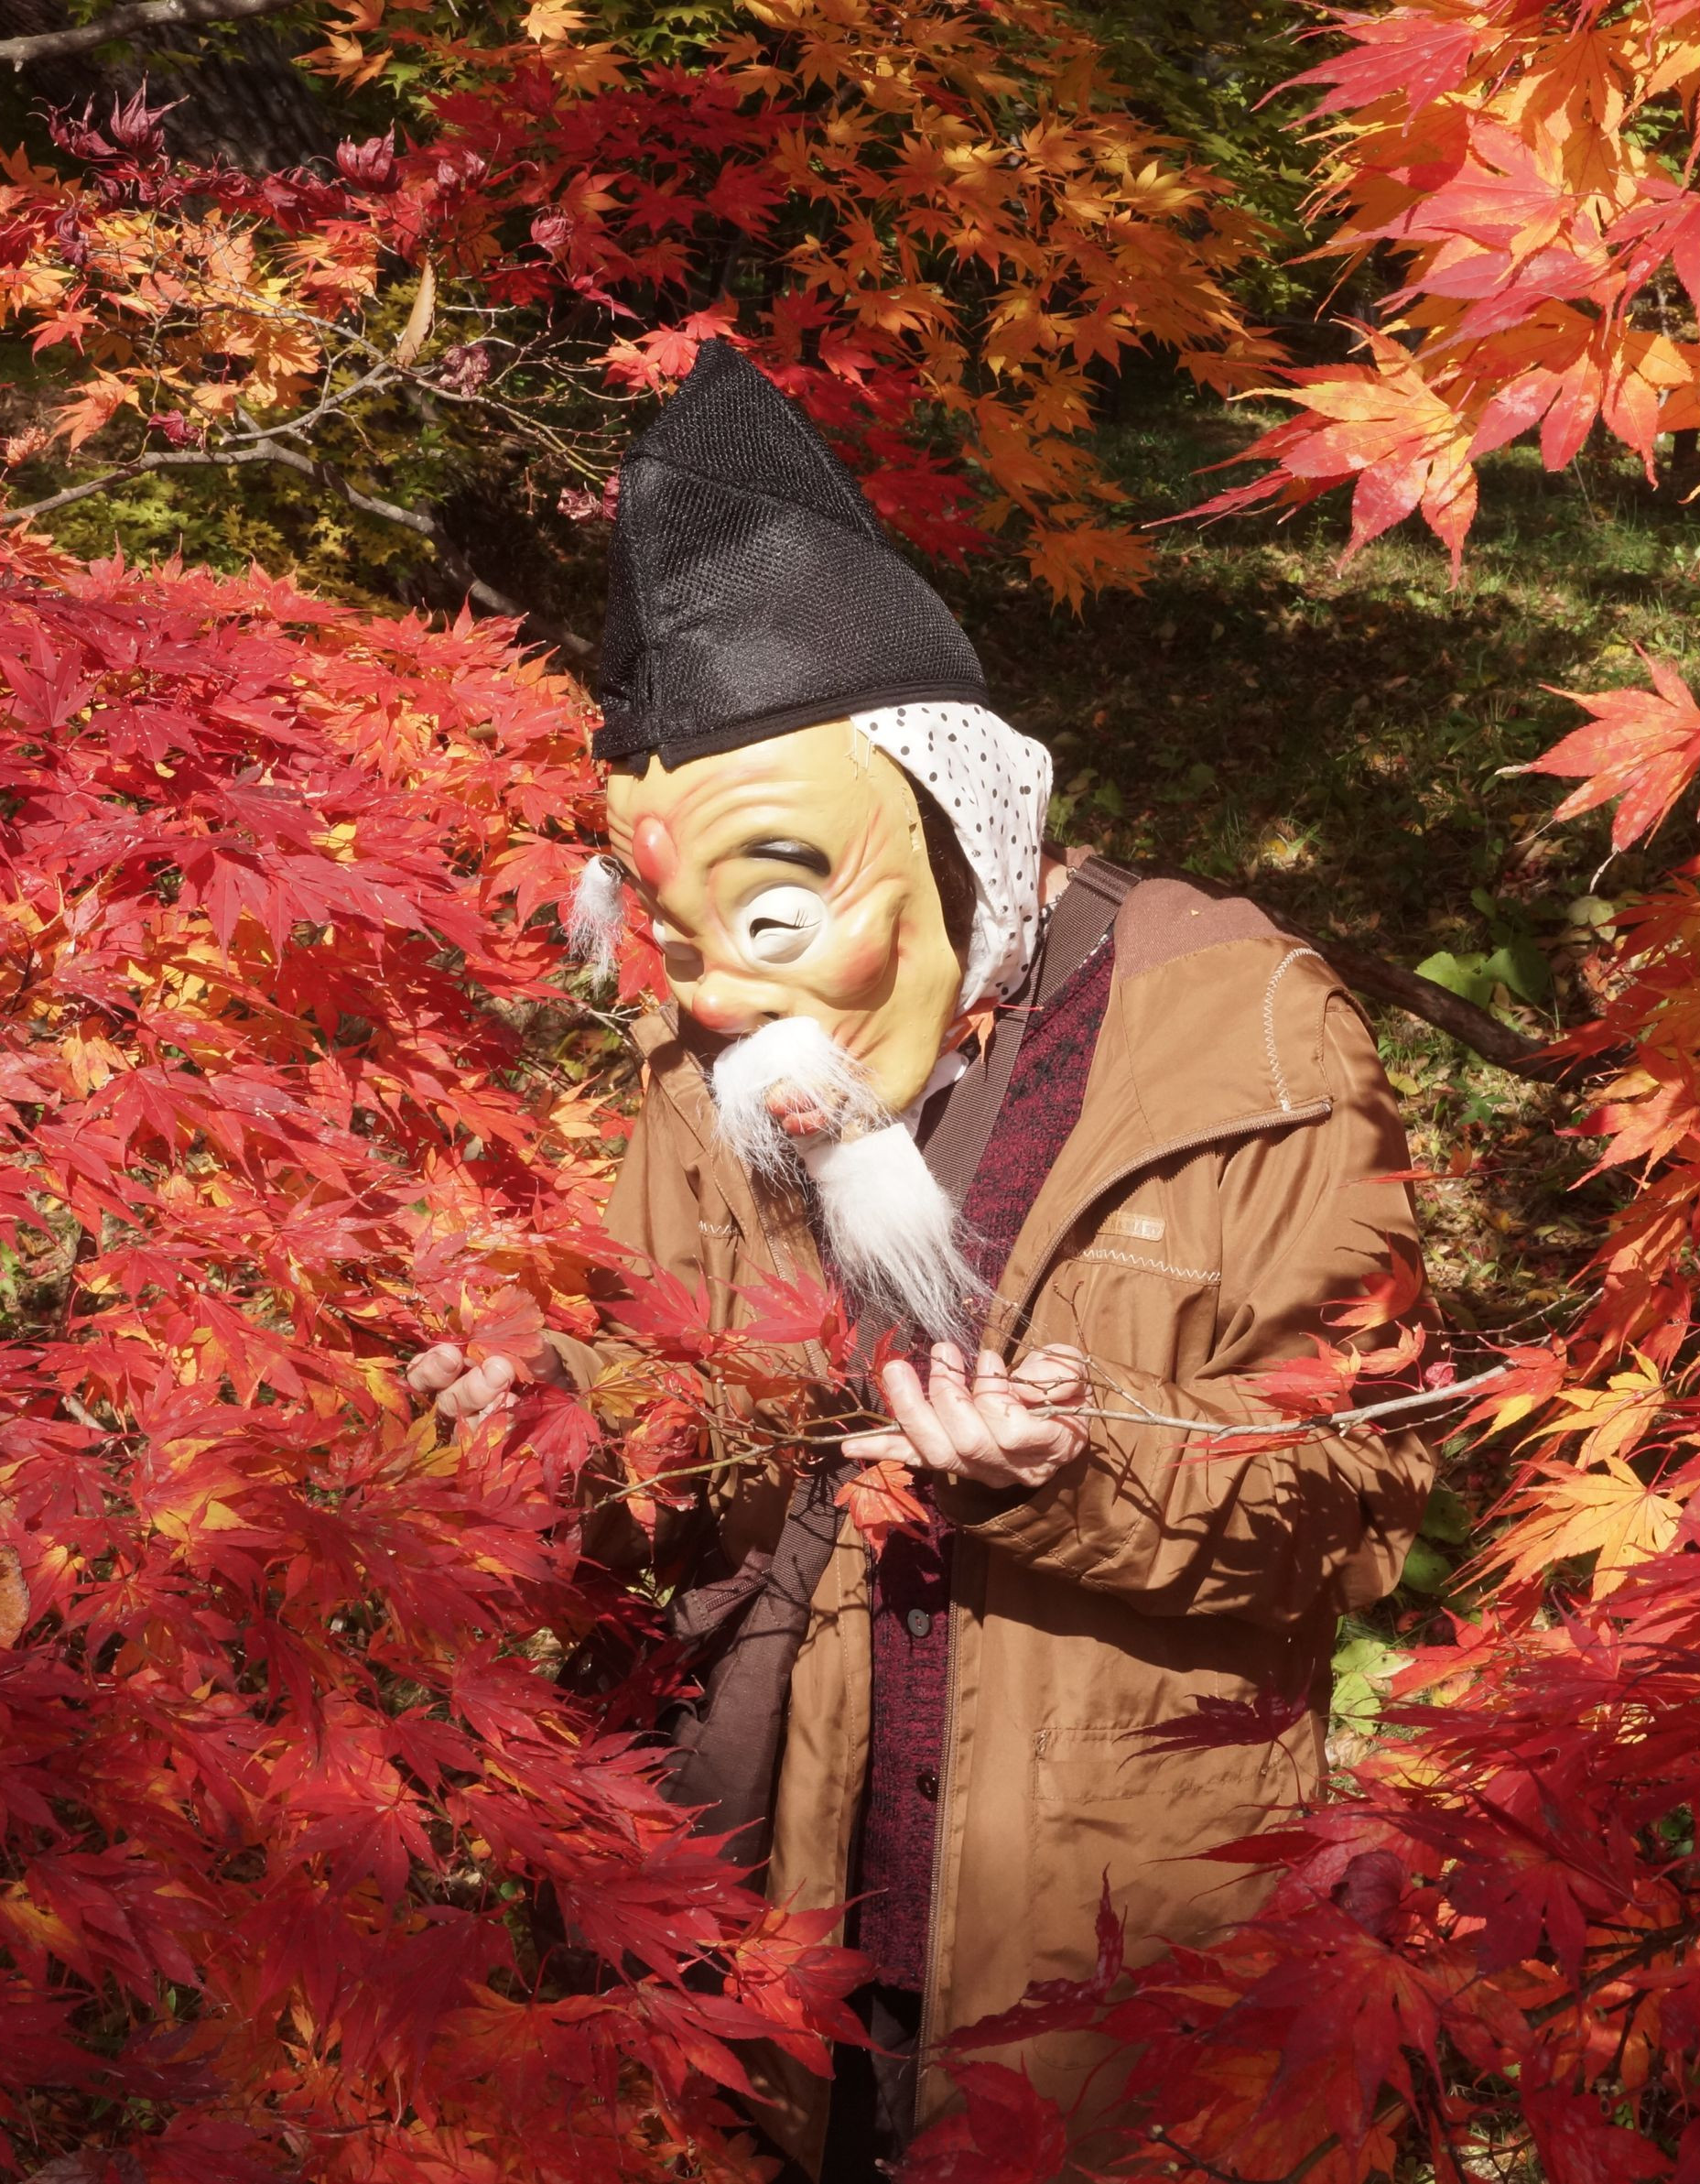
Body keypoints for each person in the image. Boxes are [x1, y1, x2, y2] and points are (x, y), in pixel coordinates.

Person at [405, 342, 1434, 2181]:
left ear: (960, 828)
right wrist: (550, 1410)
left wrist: (1079, 1466)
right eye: (674, 932)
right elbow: (674, 1413)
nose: (719, 997)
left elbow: (1363, 1489)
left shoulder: (1243, 1033)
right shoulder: (707, 1068)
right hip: (754, 1910)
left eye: (774, 908)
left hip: (1092, 1944)